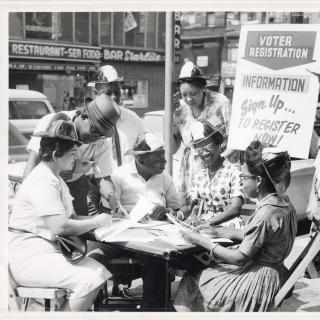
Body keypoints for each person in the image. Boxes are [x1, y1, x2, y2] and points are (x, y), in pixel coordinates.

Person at [174, 140, 297, 312]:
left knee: (192, 277)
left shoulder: (265, 213)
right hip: (275, 274)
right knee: (205, 271)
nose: (241, 182)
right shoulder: (282, 203)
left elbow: (239, 258)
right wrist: (218, 231)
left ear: (259, 180)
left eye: (244, 177)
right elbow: (256, 235)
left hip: (258, 282)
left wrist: (202, 241)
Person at [9, 120, 113, 311]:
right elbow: (60, 227)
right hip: (27, 256)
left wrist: (104, 222)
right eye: (73, 154)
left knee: (98, 271)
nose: (76, 159)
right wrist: (96, 221)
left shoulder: (54, 178)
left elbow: (70, 219)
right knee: (92, 278)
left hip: (44, 251)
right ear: (56, 155)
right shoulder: (43, 180)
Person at [89, 132, 181, 311]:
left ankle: (151, 311)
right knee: (94, 258)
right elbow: (109, 211)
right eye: (159, 159)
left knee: (157, 260)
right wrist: (132, 215)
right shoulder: (119, 176)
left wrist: (167, 211)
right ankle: (93, 308)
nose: (165, 163)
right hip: (122, 235)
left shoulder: (165, 177)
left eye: (164, 158)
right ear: (141, 160)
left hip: (154, 237)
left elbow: (177, 209)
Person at [23, 93, 121, 216]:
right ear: (84, 115)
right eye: (94, 131)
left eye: (101, 135)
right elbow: (32, 166)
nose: (96, 138)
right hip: (45, 186)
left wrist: (112, 198)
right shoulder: (55, 123)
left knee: (81, 227)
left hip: (76, 187)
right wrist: (27, 202)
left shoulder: (101, 141)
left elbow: (103, 177)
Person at [173, 61, 235, 204]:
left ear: (203, 88)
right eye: (184, 94)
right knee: (190, 210)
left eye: (193, 94)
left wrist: (216, 161)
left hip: (219, 165)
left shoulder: (220, 102)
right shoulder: (180, 108)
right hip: (191, 168)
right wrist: (171, 121)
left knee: (215, 209)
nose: (189, 99)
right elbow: (173, 148)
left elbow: (234, 139)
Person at [86, 65, 145, 213]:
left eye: (117, 92)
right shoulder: (86, 122)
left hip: (127, 191)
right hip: (94, 189)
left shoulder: (133, 119)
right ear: (95, 93)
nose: (114, 98)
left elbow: (145, 153)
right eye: (108, 93)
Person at [180, 120, 244, 229]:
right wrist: (179, 214)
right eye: (199, 147)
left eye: (207, 145)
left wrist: (209, 223)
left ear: (218, 144)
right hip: (204, 225)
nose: (204, 152)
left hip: (228, 226)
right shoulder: (199, 175)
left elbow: (235, 208)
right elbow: (190, 206)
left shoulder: (234, 171)